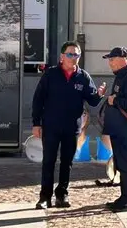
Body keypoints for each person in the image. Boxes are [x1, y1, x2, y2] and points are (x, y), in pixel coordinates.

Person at [31, 41, 105, 210]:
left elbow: (92, 101)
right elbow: (38, 100)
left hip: (72, 127)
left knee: (67, 161)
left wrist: (99, 94)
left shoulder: (83, 76)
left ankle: (62, 194)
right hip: (51, 125)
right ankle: (45, 197)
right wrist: (36, 123)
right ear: (62, 57)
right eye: (70, 54)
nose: (74, 58)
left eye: (77, 55)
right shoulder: (50, 75)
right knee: (48, 161)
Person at [100, 47, 127, 212]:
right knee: (120, 162)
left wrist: (114, 100)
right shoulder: (122, 76)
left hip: (125, 128)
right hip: (118, 127)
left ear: (123, 58)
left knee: (126, 162)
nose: (109, 63)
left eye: (112, 59)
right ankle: (124, 196)